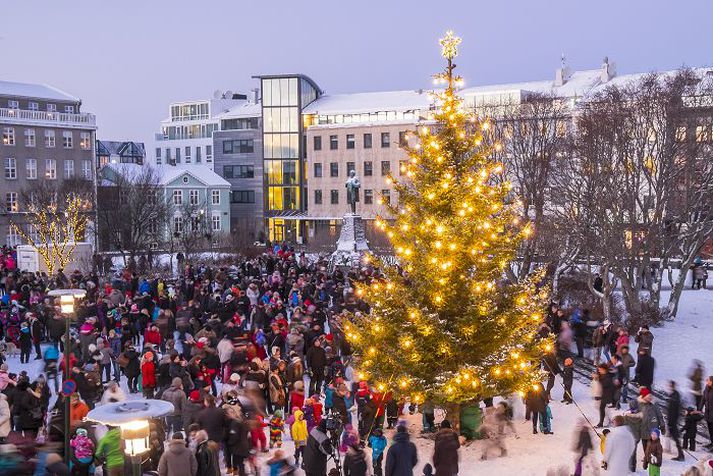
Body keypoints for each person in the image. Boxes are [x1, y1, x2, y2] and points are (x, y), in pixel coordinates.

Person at [667, 381, 685, 461]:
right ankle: (680, 454)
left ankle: (681, 455)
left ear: (672, 386)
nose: (668, 387)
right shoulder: (674, 395)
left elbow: (673, 411)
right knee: (675, 437)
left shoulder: (674, 396)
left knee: (676, 438)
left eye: (670, 386)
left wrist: (671, 422)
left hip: (673, 421)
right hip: (673, 421)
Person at [700, 375, 713, 450]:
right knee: (710, 430)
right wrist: (699, 409)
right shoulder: (706, 388)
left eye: (708, 380)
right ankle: (712, 443)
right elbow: (703, 399)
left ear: (712, 382)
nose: (706, 381)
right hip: (708, 413)